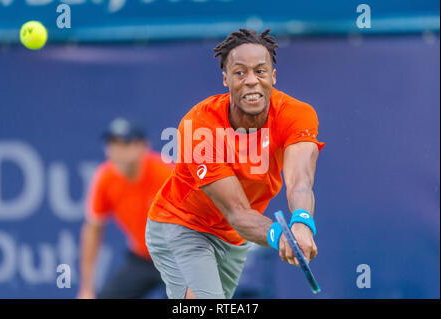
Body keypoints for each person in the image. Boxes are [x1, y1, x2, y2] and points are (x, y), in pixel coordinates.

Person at [146, 28, 325, 299]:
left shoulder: (298, 115)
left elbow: (300, 178)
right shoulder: (199, 126)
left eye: (260, 71)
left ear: (273, 77)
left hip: (234, 239)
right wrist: (281, 235)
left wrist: (302, 222)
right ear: (226, 79)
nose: (251, 80)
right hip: (182, 225)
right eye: (240, 72)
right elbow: (238, 212)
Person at [77, 118, 173, 299]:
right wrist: (86, 288)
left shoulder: (164, 174)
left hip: (177, 259)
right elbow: (92, 230)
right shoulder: (105, 178)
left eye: (125, 143)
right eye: (112, 144)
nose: (118, 151)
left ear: (143, 146)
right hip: (141, 259)